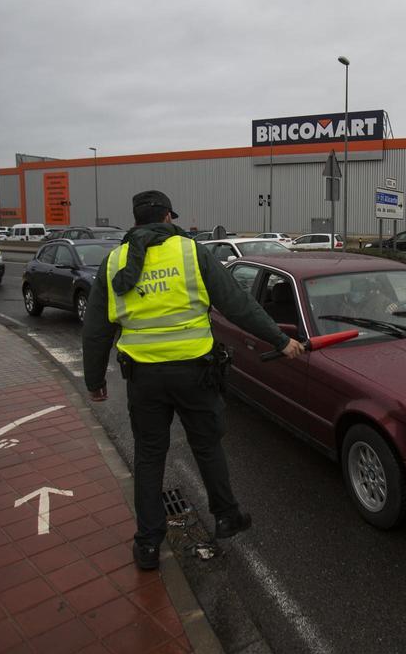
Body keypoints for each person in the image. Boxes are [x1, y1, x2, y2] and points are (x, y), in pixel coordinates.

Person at [82, 190, 305, 570]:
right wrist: (281, 340)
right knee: (207, 446)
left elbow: (96, 330)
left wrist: (94, 380)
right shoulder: (191, 252)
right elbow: (238, 304)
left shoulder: (113, 261)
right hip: (195, 374)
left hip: (144, 378)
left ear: (136, 219)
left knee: (150, 457)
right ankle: (226, 515)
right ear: (167, 216)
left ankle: (148, 544)